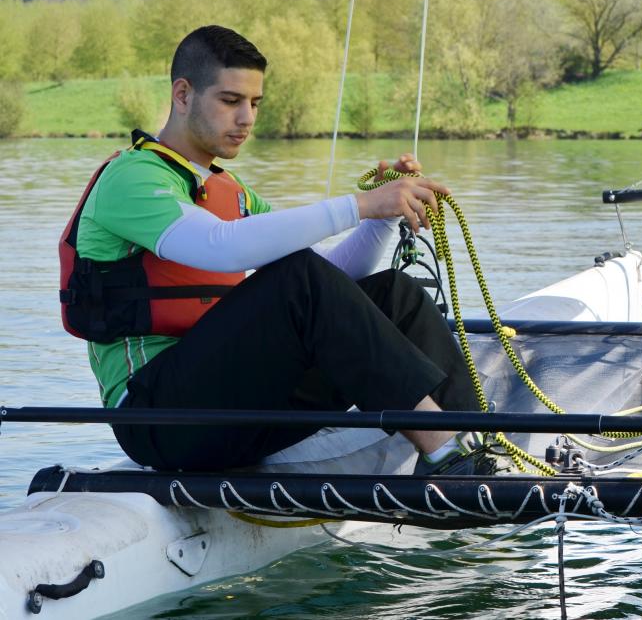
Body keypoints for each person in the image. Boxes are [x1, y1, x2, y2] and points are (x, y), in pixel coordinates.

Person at [60, 25, 498, 475]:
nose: (246, 118)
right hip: (158, 418)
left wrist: (382, 214)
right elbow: (222, 248)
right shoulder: (132, 178)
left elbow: (333, 278)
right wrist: (360, 204)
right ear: (183, 94)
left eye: (255, 103)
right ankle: (442, 449)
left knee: (395, 294)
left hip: (229, 402)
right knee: (299, 278)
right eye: (230, 100)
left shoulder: (231, 191)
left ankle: (474, 447)